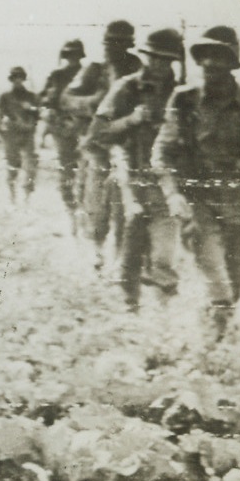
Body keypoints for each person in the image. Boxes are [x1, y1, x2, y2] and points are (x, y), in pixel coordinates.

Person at [152, 25, 240, 341]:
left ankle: (214, 334)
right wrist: (172, 194)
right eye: (205, 56)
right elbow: (162, 152)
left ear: (232, 63)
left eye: (219, 56)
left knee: (233, 283)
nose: (210, 63)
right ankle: (214, 346)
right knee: (217, 281)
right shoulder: (184, 100)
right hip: (197, 200)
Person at [85, 28, 185, 312]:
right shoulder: (127, 88)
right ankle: (130, 306)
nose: (159, 64)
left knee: (163, 252)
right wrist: (131, 120)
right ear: (146, 56)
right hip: (130, 174)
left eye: (166, 59)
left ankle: (164, 313)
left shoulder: (182, 94)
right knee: (130, 243)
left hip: (166, 179)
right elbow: (98, 133)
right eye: (154, 57)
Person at [63, 20, 143, 267]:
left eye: (117, 43)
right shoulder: (94, 70)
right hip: (97, 144)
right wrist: (94, 102)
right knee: (96, 202)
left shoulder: (138, 70)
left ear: (127, 45)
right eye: (108, 42)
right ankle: (96, 251)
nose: (111, 47)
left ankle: (119, 258)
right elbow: (67, 99)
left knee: (124, 205)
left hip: (129, 144)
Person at [39, 40, 86, 229]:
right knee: (66, 170)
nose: (72, 58)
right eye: (69, 55)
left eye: (75, 55)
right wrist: (49, 110)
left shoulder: (89, 73)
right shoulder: (56, 75)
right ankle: (71, 212)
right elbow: (44, 99)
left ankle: (83, 210)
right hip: (63, 128)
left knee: (86, 171)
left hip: (84, 128)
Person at [0, 67, 40, 201]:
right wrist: (0, 130)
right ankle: (12, 195)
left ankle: (27, 196)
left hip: (27, 133)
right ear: (11, 79)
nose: (18, 80)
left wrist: (30, 116)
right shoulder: (5, 97)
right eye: (15, 77)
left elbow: (37, 116)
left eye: (20, 77)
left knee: (31, 165)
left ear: (23, 79)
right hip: (11, 134)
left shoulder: (31, 97)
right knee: (13, 165)